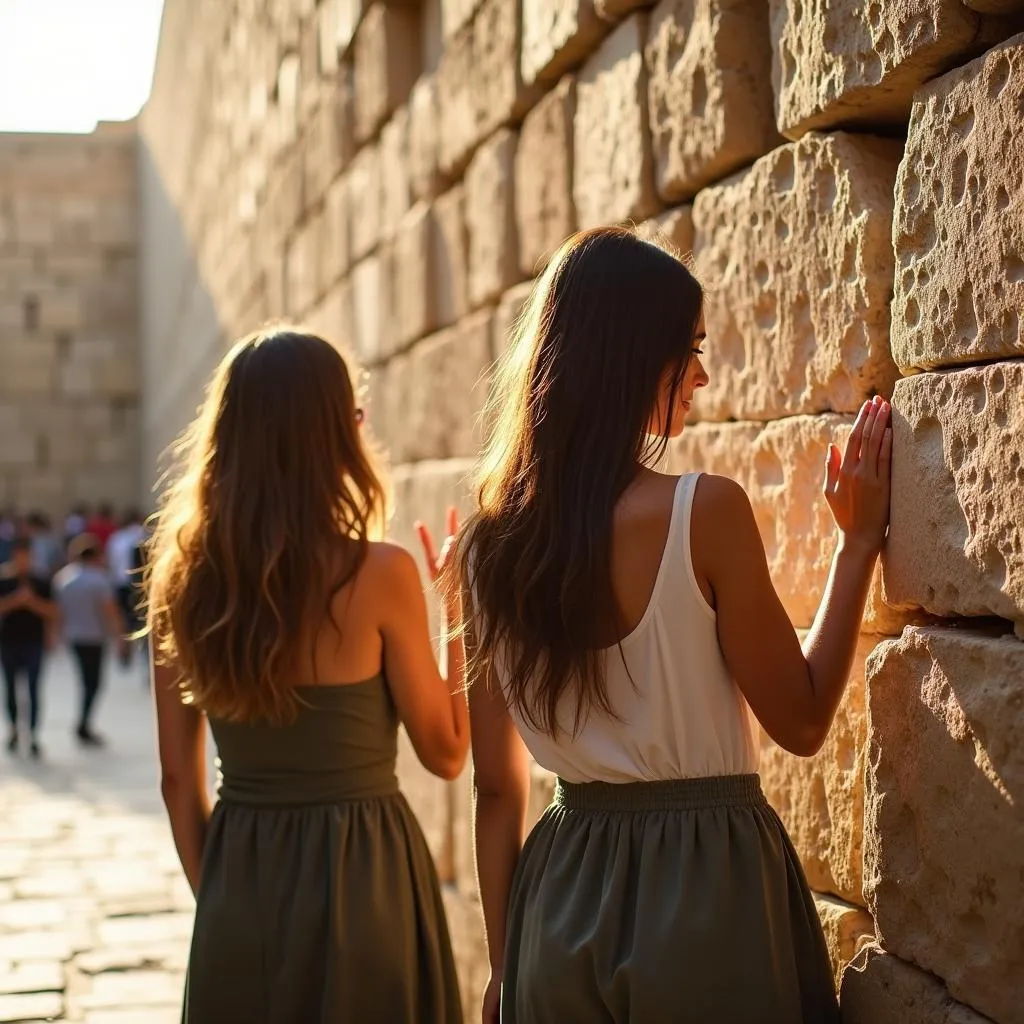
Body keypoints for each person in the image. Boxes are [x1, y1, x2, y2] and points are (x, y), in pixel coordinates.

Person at [453, 227, 893, 1023]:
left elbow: (494, 786)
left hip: (557, 900)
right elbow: (800, 718)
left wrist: (505, 966)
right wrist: (857, 544)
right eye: (686, 348)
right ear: (630, 359)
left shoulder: (484, 551)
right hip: (706, 892)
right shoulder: (706, 512)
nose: (701, 374)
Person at [146, 327, 468, 1023]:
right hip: (368, 878)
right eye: (355, 414)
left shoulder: (181, 582)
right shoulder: (380, 574)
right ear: (331, 435)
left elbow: (177, 780)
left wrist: (227, 898)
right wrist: (457, 617)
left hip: (243, 878)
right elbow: (446, 754)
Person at [53, 533, 127, 747]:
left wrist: (56, 636)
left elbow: (59, 612)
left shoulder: (64, 579)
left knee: (87, 682)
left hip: (74, 637)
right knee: (93, 683)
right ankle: (83, 724)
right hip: (94, 638)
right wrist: (120, 638)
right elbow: (110, 612)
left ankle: (83, 722)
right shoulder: (99, 580)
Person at [0, 535, 58, 757]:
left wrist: (32, 602)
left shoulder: (41, 581)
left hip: (33, 643)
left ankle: (33, 733)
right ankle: (14, 729)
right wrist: (16, 600)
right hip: (9, 642)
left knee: (33, 689)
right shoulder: (4, 580)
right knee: (11, 689)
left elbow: (53, 612)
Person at [106, 509, 147, 666]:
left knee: (122, 620)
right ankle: (142, 651)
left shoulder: (116, 539)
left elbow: (111, 563)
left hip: (120, 583)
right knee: (140, 620)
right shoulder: (143, 536)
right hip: (138, 585)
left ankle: (124, 649)